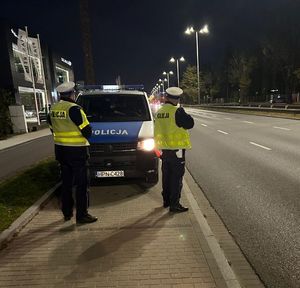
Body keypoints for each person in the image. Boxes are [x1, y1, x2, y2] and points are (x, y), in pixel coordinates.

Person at [47, 81, 98, 224]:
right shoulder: (74, 109)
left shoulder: (53, 109)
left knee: (66, 183)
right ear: (72, 93)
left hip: (61, 151)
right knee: (82, 184)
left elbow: (52, 128)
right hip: (77, 152)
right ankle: (82, 215)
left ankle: (67, 213)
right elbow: (87, 131)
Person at [154, 87, 194, 213]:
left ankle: (166, 200)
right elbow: (190, 123)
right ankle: (175, 204)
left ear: (166, 97)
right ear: (177, 99)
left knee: (166, 177)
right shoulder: (178, 111)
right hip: (177, 151)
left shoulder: (160, 112)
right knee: (176, 178)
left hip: (164, 150)